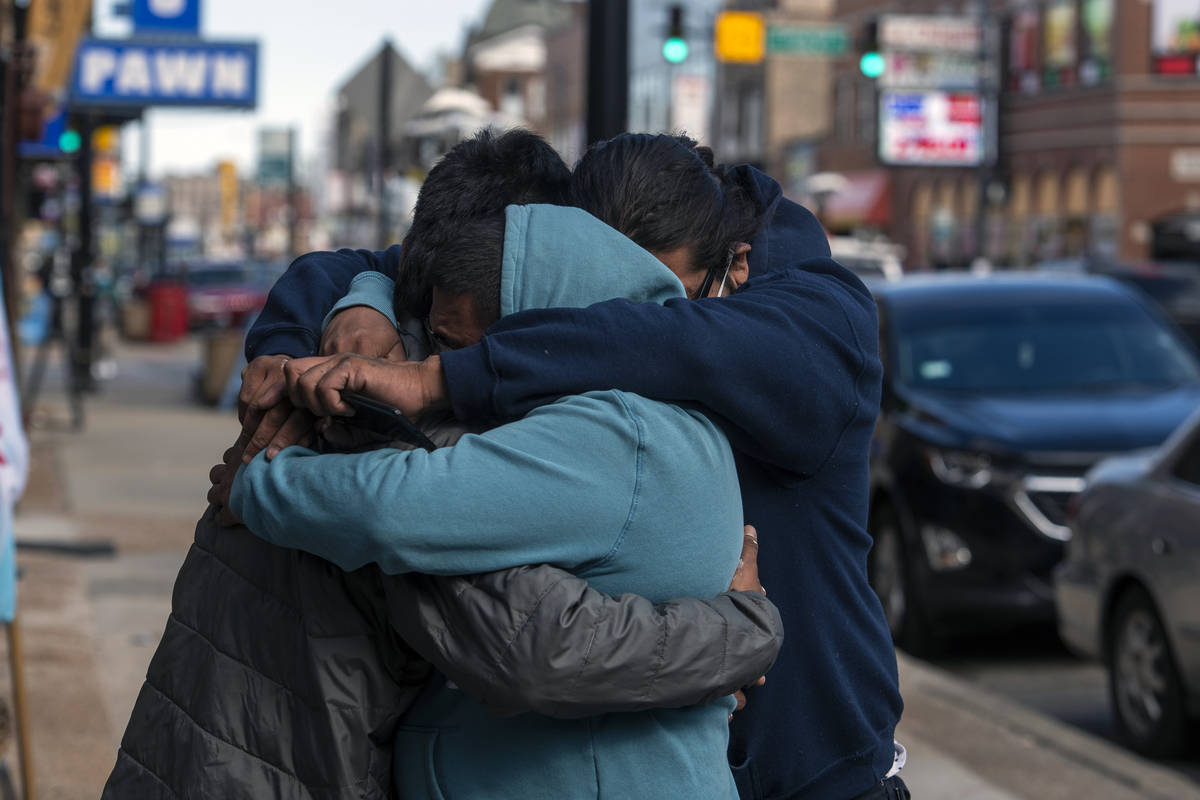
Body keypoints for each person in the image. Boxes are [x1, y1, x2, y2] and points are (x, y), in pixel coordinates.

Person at [103, 131, 782, 800]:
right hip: (270, 762)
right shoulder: (396, 417)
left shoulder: (601, 429)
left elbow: (523, 634)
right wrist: (741, 627)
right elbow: (521, 634)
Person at [243, 131, 907, 799]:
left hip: (815, 773)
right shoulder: (620, 251)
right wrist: (363, 299)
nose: (627, 307)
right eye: (601, 289)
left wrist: (446, 377)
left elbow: (666, 341)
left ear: (734, 267)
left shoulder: (819, 319)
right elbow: (403, 258)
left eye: (660, 291)